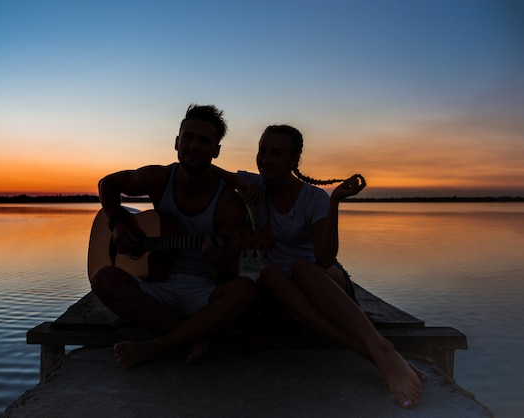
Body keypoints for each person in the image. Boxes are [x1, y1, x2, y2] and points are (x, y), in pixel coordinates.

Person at [214, 124, 427, 409]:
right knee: (270, 273)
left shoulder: (314, 198)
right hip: (281, 290)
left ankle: (378, 346)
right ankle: (374, 351)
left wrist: (335, 202)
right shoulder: (255, 185)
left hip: (322, 280)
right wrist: (241, 184)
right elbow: (209, 169)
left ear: (294, 161)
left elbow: (325, 259)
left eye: (277, 153)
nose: (265, 159)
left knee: (303, 267)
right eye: (262, 151)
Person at [89, 104, 257, 369]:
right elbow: (107, 184)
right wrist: (119, 221)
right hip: (155, 285)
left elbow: (227, 276)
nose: (193, 145)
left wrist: (219, 263)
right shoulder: (159, 178)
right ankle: (195, 335)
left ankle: (159, 344)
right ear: (177, 142)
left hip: (203, 291)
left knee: (244, 290)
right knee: (103, 279)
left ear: (216, 150)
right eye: (187, 137)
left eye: (204, 140)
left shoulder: (228, 203)